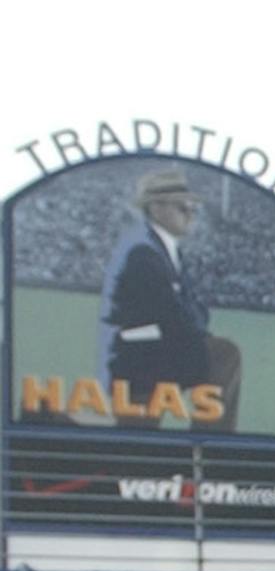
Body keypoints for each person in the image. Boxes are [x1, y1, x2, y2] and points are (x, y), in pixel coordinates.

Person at [98, 165, 242, 432]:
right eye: (182, 208)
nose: (191, 214)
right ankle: (210, 446)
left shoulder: (165, 251)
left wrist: (194, 325)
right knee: (224, 354)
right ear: (155, 208)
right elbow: (173, 315)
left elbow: (194, 312)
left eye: (192, 208)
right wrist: (196, 328)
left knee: (222, 352)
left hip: (161, 353)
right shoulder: (143, 253)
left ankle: (209, 444)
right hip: (143, 360)